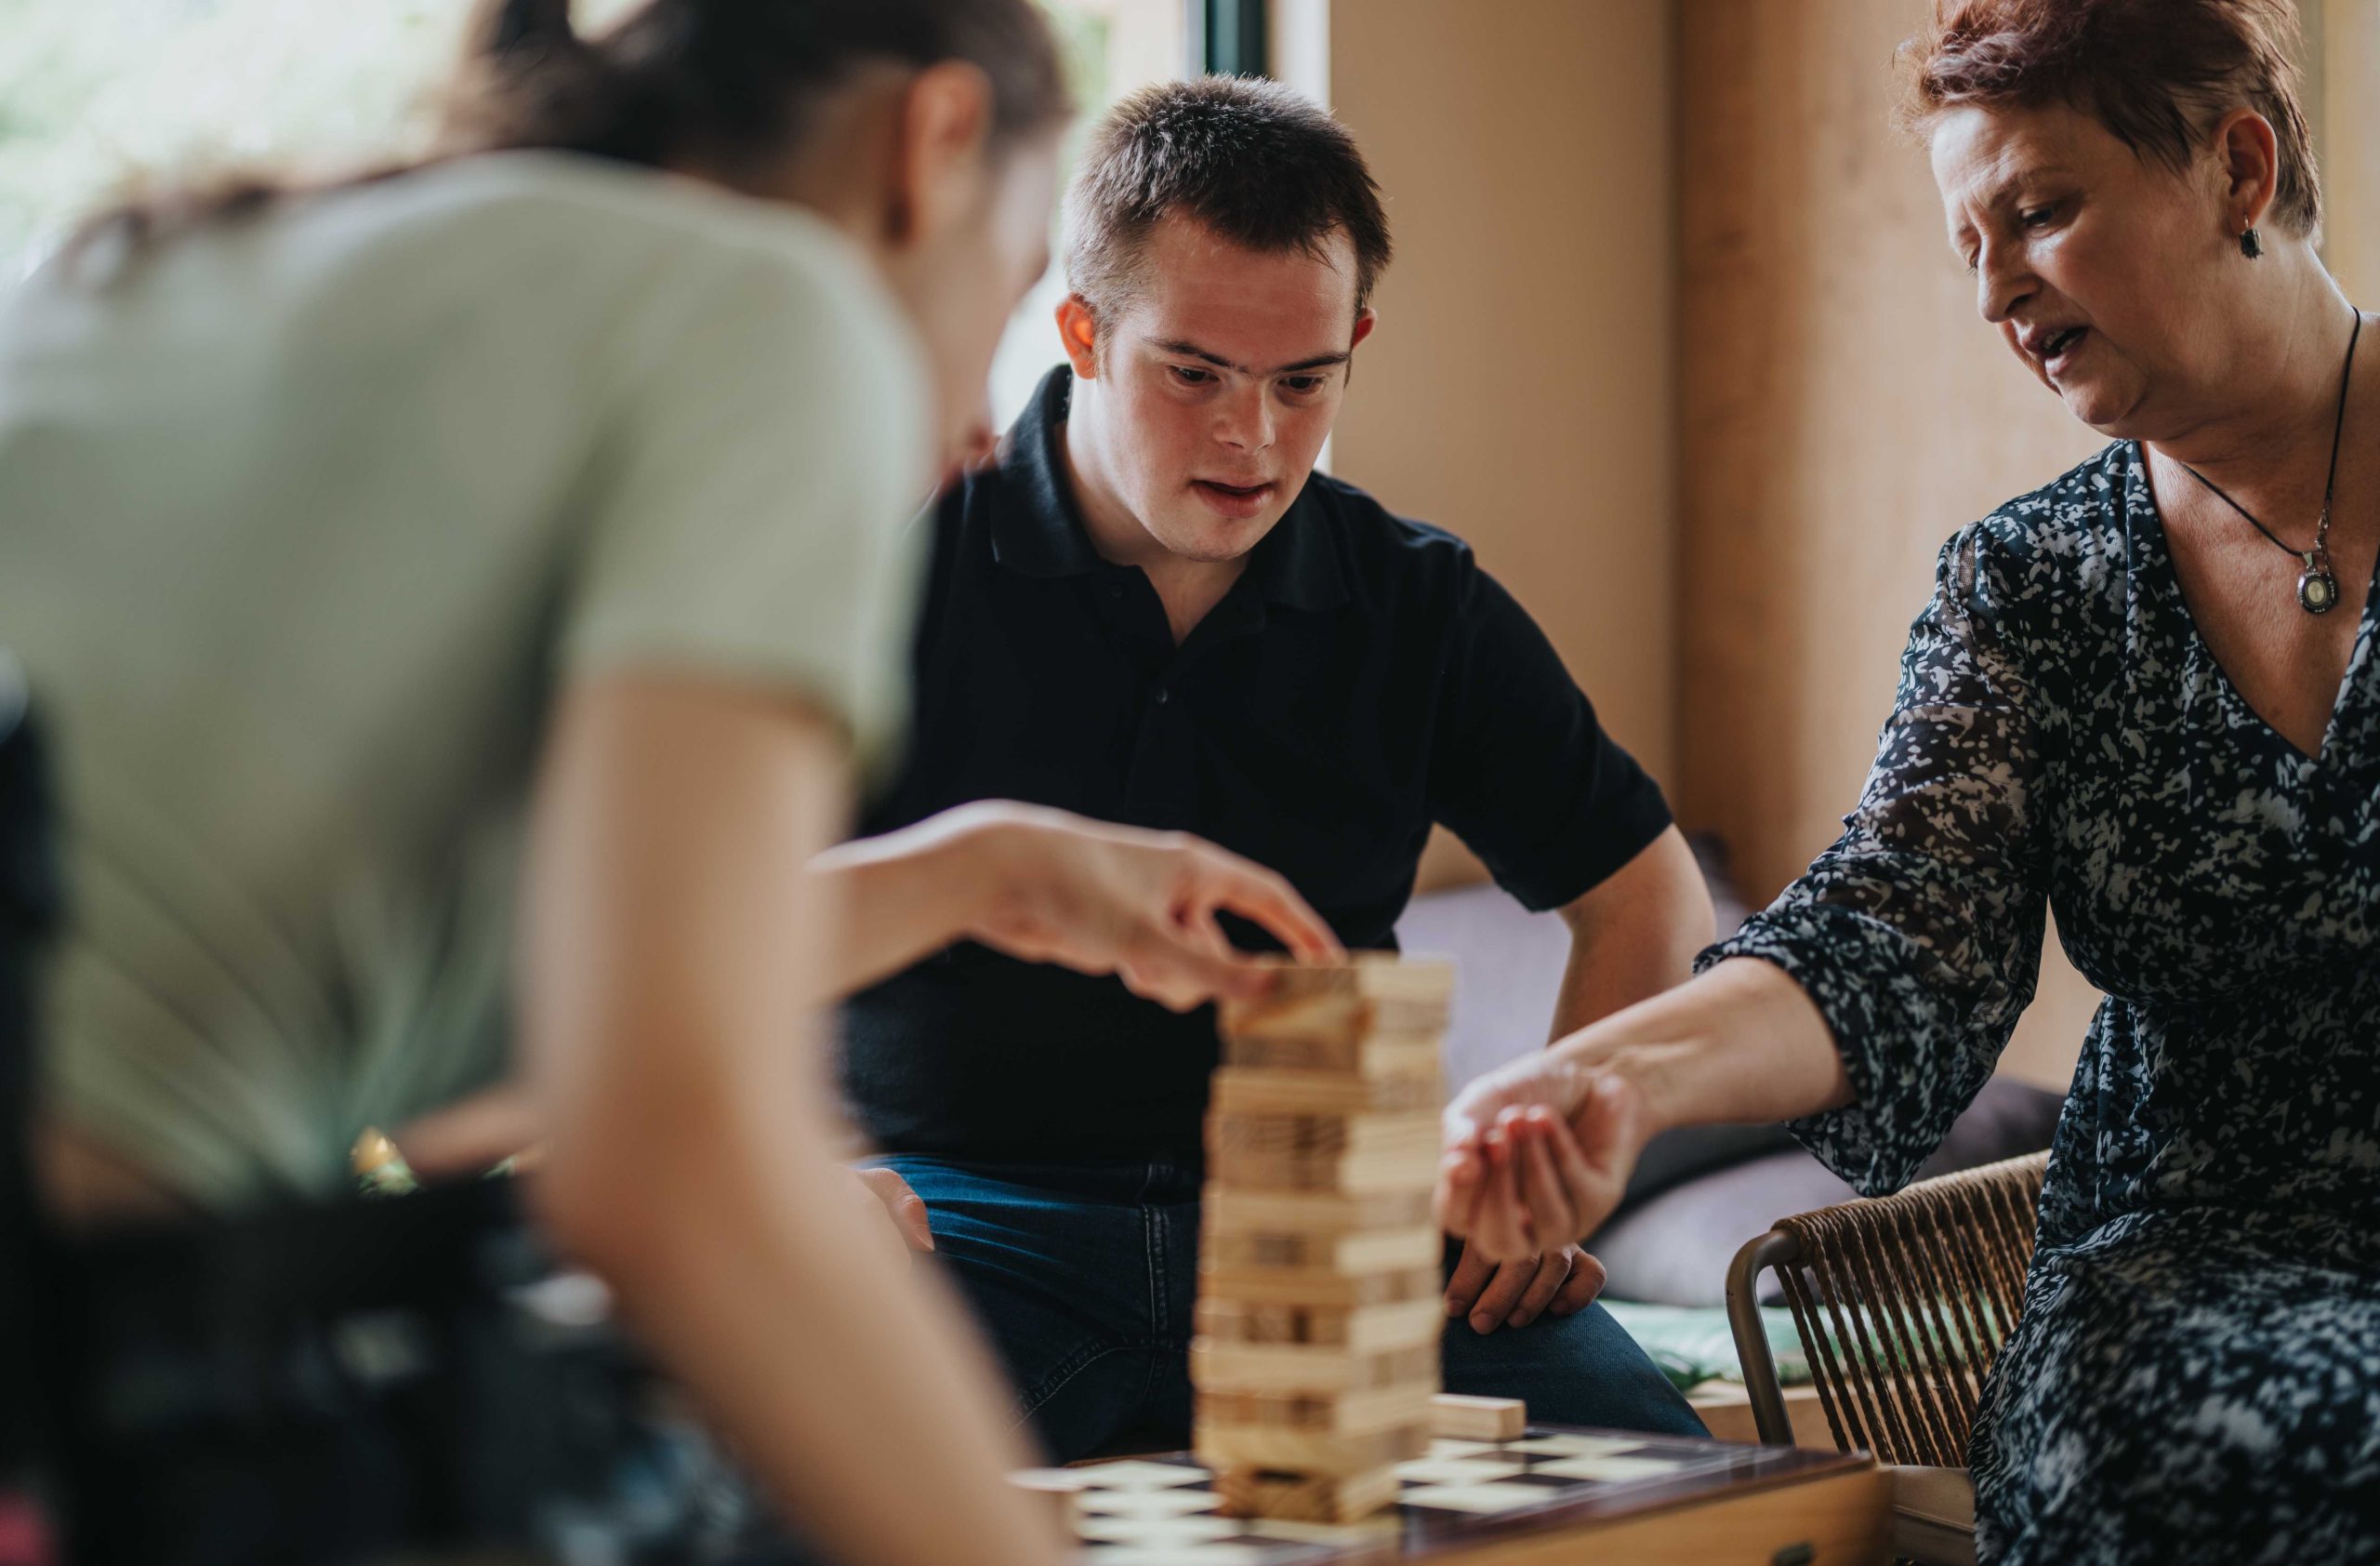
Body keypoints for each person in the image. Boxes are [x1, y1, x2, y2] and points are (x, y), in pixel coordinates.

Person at [0, 2, 1342, 1561]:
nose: (987, 423)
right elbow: (670, 1163)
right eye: (1005, 285)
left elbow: (444, 1076)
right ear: (935, 144)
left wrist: (983, 875)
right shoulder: (769, 313)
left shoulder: (187, 263)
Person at [1437, 2, 2379, 1561]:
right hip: (2178, 1289)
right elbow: (1885, 941)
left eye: (2043, 211)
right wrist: (1612, 1079)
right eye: (1970, 246)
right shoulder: (2032, 589)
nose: (2000, 288)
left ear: (2237, 165)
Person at [840, 75, 1715, 1461]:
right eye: (1193, 373)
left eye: (1304, 380)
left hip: (1336, 1224)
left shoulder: (1418, 603)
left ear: (1354, 343)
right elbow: (724, 913)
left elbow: (1649, 900)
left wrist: (1540, 1188)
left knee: (1676, 1501)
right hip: (959, 1224)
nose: (1253, 436)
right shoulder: (898, 562)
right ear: (1081, 333)